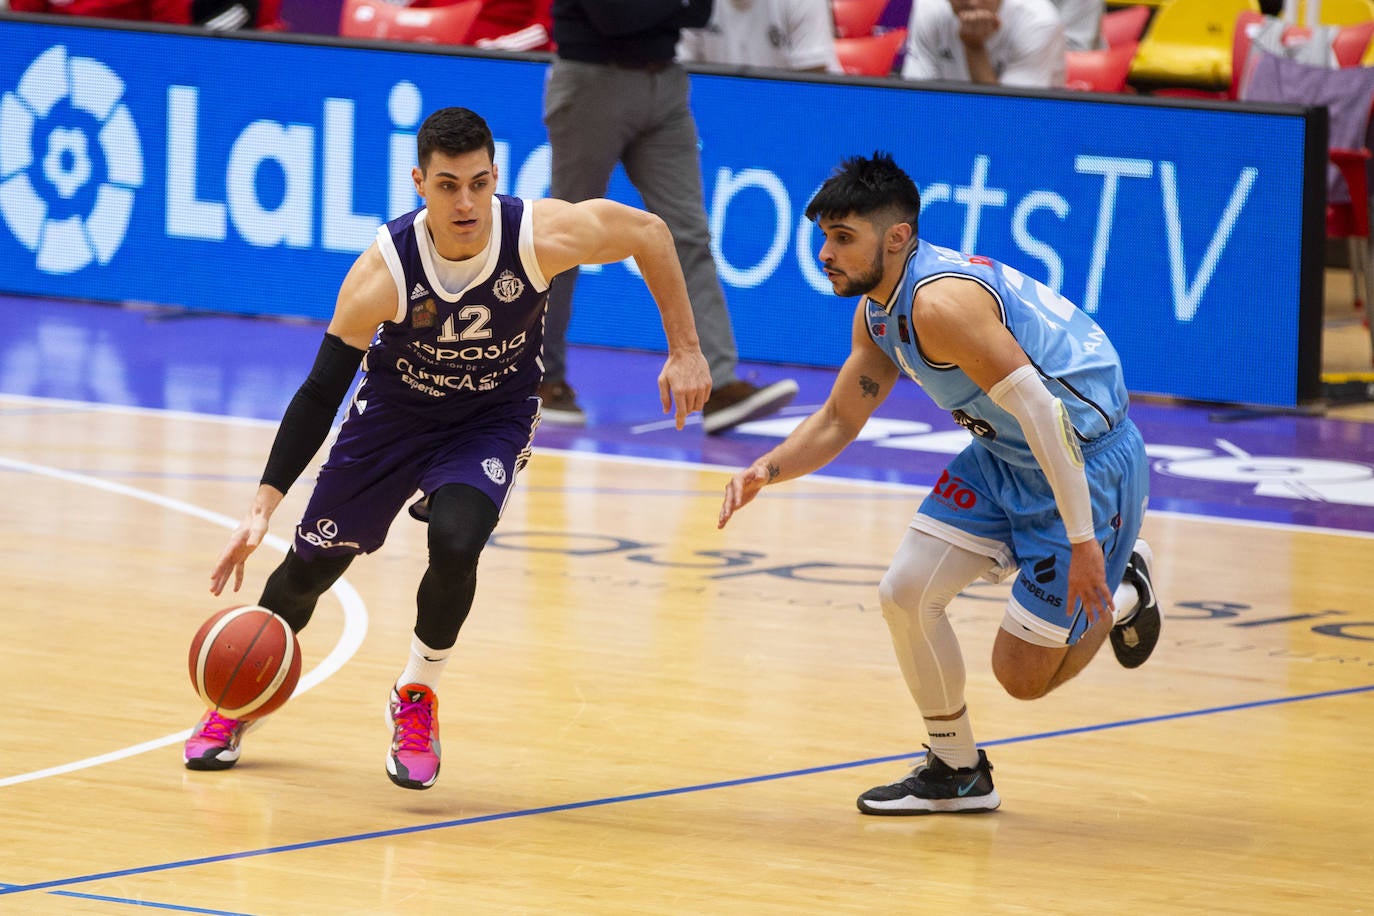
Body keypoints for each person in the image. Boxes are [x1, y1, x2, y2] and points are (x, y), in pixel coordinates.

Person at [184, 107, 711, 790]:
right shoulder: (383, 272)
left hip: (490, 415)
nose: (466, 202)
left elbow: (648, 231)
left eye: (478, 182)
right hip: (394, 418)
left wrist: (687, 348)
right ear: (418, 184)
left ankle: (416, 694)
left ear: (496, 177)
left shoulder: (537, 234)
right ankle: (237, 697)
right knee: (311, 571)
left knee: (458, 539)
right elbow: (320, 392)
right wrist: (264, 502)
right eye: (447, 185)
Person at [717, 153, 1161, 814]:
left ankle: (1125, 587)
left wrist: (1087, 543)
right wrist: (767, 468)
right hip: (1002, 454)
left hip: (1084, 460)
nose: (824, 254)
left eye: (843, 238)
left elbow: (1046, 414)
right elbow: (841, 416)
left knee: (1023, 679)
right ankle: (957, 769)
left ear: (896, 237)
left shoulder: (940, 304)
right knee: (904, 593)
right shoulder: (878, 311)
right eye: (824, 238)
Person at [541, 0, 799, 433]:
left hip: (666, 85)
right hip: (592, 81)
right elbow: (614, 17)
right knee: (566, 231)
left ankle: (717, 384)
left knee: (689, 235)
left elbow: (700, 13)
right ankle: (539, 379)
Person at [900, 0, 1066, 88]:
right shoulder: (929, 8)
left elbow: (1010, 118)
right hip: (947, 125)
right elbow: (917, 101)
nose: (972, 3)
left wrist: (974, 48)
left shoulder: (1038, 22)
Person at [677, 0, 841, 73]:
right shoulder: (694, 4)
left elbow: (814, 82)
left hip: (791, 106)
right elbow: (683, 72)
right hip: (727, 107)